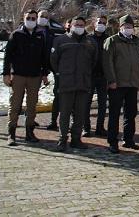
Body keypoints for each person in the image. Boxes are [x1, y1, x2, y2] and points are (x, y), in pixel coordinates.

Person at [50, 16, 98, 152]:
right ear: (70, 25)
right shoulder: (60, 40)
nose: (79, 26)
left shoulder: (90, 42)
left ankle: (76, 139)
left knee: (80, 113)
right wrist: (61, 74)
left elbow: (94, 61)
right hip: (67, 82)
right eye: (76, 24)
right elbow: (54, 60)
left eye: (82, 25)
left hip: (83, 82)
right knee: (64, 113)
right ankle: (62, 139)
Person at [3, 10, 49, 146]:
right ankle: (11, 134)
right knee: (15, 105)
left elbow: (44, 57)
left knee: (31, 106)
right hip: (18, 75)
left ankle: (30, 132)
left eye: (33, 18)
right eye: (28, 18)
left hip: (35, 76)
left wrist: (45, 74)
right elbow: (8, 56)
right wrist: (6, 74)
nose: (31, 20)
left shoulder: (41, 35)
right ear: (24, 18)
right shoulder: (16, 34)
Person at [103, 15, 139, 153]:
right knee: (114, 114)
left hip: (132, 84)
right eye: (126, 27)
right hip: (117, 84)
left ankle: (128, 139)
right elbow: (108, 63)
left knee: (131, 113)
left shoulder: (137, 42)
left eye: (130, 27)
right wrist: (112, 81)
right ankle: (112, 141)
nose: (128, 29)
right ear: (120, 28)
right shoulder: (112, 41)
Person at [83, 15, 109, 137]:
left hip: (103, 76)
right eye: (100, 22)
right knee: (86, 103)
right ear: (94, 23)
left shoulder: (109, 39)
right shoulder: (87, 38)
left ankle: (100, 127)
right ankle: (86, 128)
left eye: (104, 23)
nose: (101, 24)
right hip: (89, 75)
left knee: (103, 104)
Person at [46, 17, 71, 131]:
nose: (71, 26)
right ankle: (53, 121)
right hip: (60, 74)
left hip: (74, 75)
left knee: (73, 100)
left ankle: (71, 123)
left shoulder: (84, 40)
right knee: (58, 98)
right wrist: (57, 71)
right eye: (69, 24)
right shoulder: (59, 38)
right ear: (66, 25)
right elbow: (53, 58)